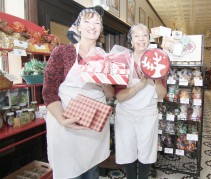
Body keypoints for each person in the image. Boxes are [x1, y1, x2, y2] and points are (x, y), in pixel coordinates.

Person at [42, 8, 114, 179]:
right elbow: (49, 91)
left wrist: (103, 78)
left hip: (92, 122)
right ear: (78, 26)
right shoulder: (62, 52)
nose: (92, 26)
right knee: (68, 172)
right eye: (87, 21)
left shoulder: (106, 58)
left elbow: (110, 94)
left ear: (101, 29)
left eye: (97, 23)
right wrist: (62, 119)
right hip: (64, 123)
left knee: (91, 171)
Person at [114, 23, 167, 179]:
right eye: (136, 36)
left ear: (149, 39)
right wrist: (140, 84)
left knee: (146, 152)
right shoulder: (123, 62)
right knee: (127, 151)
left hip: (148, 114)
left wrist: (157, 78)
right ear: (131, 41)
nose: (141, 39)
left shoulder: (158, 61)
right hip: (126, 114)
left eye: (144, 35)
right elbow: (120, 96)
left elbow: (162, 95)